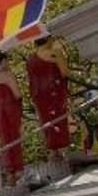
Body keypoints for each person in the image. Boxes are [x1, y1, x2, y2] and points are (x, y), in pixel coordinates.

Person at [25, 36, 72, 165]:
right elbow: (65, 72)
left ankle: (53, 154)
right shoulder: (55, 52)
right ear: (48, 39)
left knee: (47, 122)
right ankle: (64, 152)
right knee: (59, 119)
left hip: (39, 95)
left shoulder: (30, 59)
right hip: (54, 91)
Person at [0, 52, 24, 187]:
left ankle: (9, 173)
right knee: (14, 139)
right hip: (10, 112)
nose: (8, 63)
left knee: (4, 142)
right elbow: (18, 94)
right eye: (7, 61)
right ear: (2, 61)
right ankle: (17, 171)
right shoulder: (7, 75)